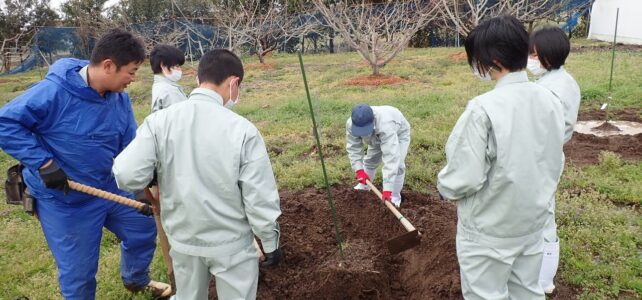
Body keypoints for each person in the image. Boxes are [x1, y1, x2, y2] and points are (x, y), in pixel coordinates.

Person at [0, 29, 171, 298]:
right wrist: (44, 164)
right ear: (108, 66)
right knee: (79, 274)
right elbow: (5, 123)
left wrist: (141, 181)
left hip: (108, 186)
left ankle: (136, 281)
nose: (133, 78)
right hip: (65, 198)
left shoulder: (119, 98)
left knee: (142, 229)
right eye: (131, 71)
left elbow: (129, 143)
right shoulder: (54, 91)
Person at [112, 49, 283, 300]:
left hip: (183, 241)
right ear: (234, 83)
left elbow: (126, 174)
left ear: (198, 80)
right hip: (231, 245)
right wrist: (270, 242)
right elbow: (259, 197)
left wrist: (152, 176)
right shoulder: (242, 131)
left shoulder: (159, 122)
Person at [436, 16, 565, 300]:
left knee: (486, 294)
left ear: (491, 59)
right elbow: (555, 158)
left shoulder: (483, 109)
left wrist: (444, 188)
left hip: (489, 230)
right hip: (532, 222)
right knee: (527, 291)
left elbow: (464, 177)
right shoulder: (550, 100)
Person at [528, 26, 581, 294]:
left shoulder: (552, 88)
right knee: (541, 212)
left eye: (535, 54)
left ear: (549, 54)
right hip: (547, 155)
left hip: (543, 158)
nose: (531, 59)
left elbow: (543, 129)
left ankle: (544, 281)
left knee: (544, 216)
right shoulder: (561, 80)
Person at [346, 103, 411, 207]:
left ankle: (395, 196)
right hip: (375, 134)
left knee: (398, 165)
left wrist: (387, 190)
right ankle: (365, 186)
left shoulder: (386, 125)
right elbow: (354, 147)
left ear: (373, 121)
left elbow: (391, 157)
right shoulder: (351, 124)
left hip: (398, 133)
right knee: (371, 160)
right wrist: (359, 170)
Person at [150, 44, 188, 112]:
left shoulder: (158, 85)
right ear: (163, 65)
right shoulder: (170, 91)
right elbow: (181, 117)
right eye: (177, 66)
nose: (179, 70)